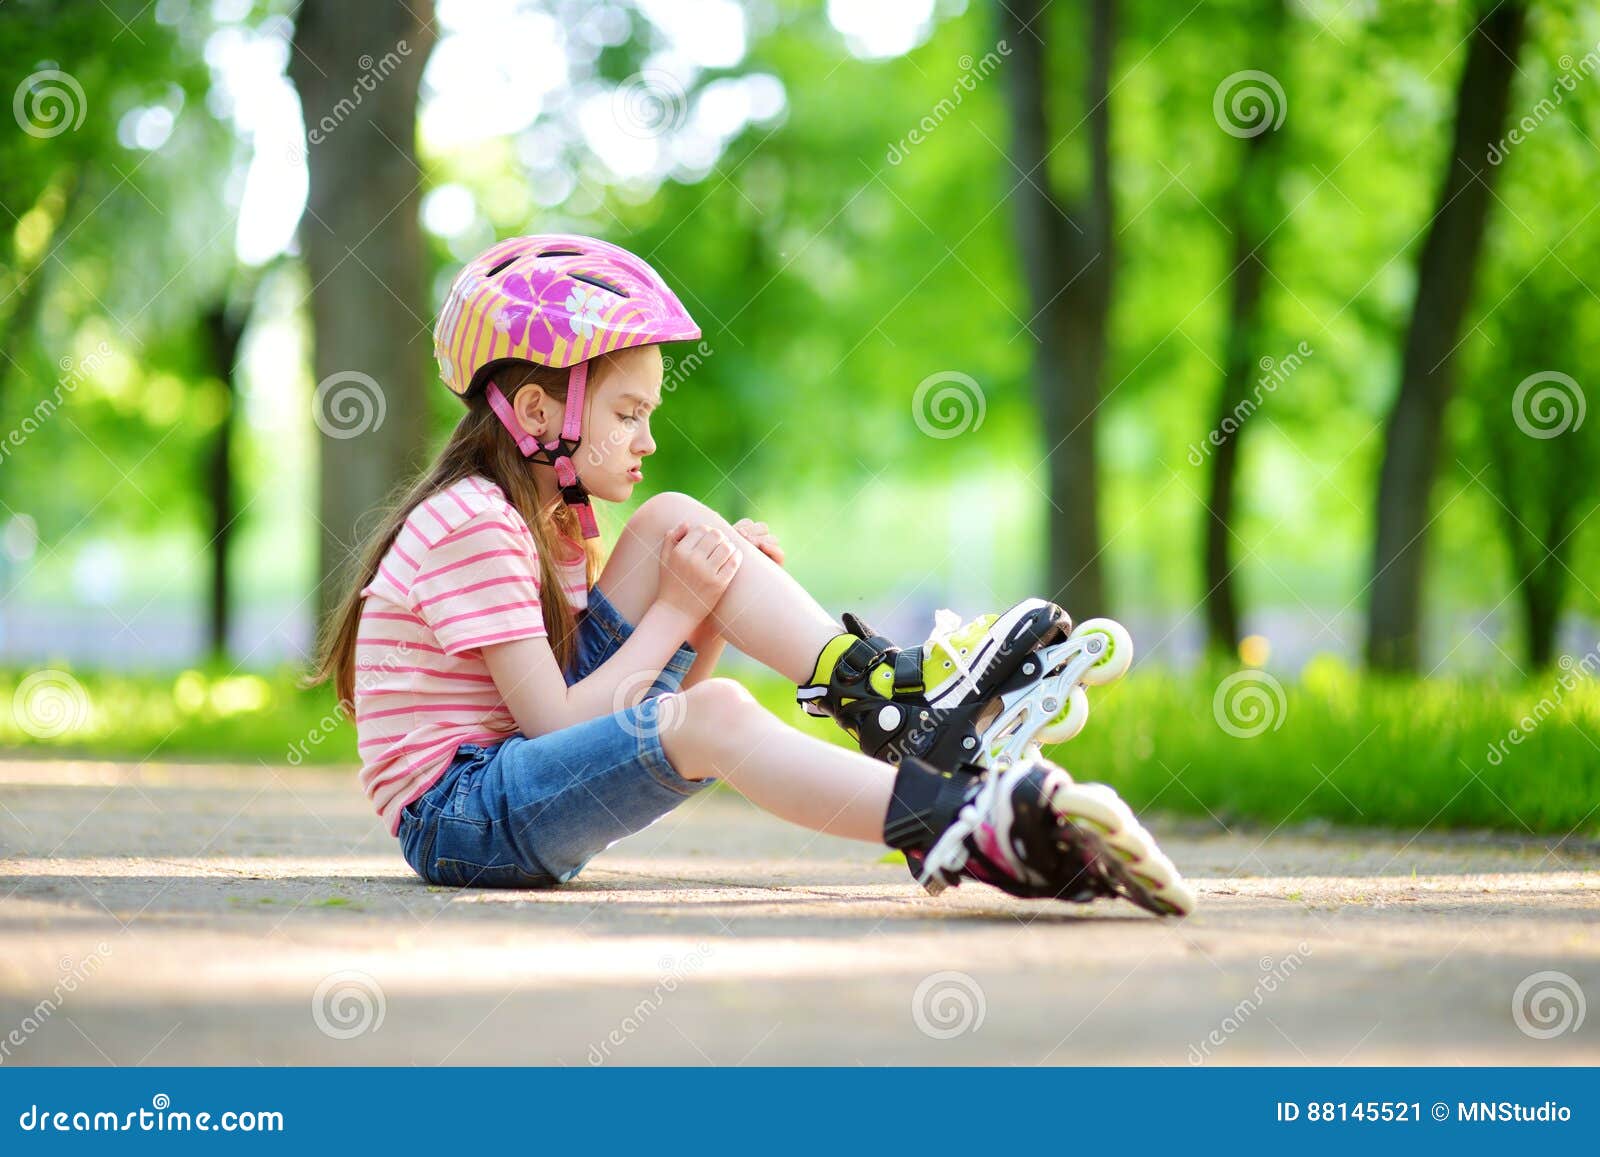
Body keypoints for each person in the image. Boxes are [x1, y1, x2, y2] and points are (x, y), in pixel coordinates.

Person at [306, 234, 1193, 914]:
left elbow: (647, 716)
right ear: (538, 410)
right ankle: (959, 823)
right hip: (463, 818)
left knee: (675, 525)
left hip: (520, 782)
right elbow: (558, 722)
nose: (647, 438)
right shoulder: (471, 522)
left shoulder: (553, 524)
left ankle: (888, 696)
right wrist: (678, 609)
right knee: (722, 710)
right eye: (626, 412)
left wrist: (710, 616)